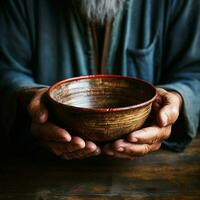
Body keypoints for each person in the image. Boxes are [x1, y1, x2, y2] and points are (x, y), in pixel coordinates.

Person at [0, 0, 199, 160]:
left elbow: (193, 72)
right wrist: (26, 98)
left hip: (152, 167)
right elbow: (7, 69)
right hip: (41, 165)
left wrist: (178, 99)